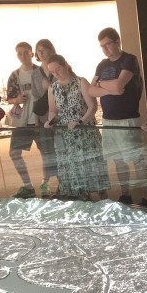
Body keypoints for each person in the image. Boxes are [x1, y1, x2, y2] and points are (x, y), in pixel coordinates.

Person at [89, 27, 143, 205]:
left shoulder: (129, 60)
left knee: (136, 160)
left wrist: (101, 84)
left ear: (117, 41)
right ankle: (125, 193)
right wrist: (110, 88)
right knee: (118, 160)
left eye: (107, 44)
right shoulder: (102, 64)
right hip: (108, 119)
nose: (105, 49)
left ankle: (145, 197)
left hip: (127, 118)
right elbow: (91, 90)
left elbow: (120, 85)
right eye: (102, 46)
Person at [44, 54, 108, 200]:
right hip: (64, 135)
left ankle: (103, 200)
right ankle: (82, 200)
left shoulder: (81, 82)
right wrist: (50, 121)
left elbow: (92, 107)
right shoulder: (52, 88)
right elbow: (53, 110)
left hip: (84, 133)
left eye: (58, 69)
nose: (56, 74)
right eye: (52, 72)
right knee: (72, 169)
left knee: (91, 167)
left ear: (65, 64)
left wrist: (81, 122)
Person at [6, 41, 57, 199]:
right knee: (14, 153)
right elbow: (9, 98)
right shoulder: (15, 75)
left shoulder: (40, 71)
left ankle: (45, 184)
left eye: (25, 52)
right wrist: (16, 100)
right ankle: (27, 185)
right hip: (23, 122)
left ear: (31, 54)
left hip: (41, 120)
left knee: (47, 153)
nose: (22, 56)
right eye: (19, 53)